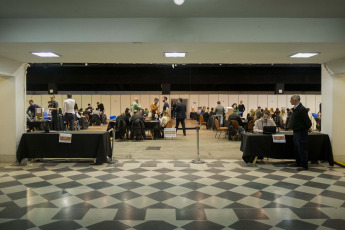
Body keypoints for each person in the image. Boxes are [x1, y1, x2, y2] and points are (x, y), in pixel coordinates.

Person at [290, 95, 312, 171]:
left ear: (296, 100)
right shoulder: (296, 109)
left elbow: (307, 120)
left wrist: (309, 127)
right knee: (297, 148)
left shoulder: (301, 109)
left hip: (301, 132)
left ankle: (304, 165)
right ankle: (298, 162)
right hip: (296, 131)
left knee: (302, 148)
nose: (290, 101)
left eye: (291, 100)